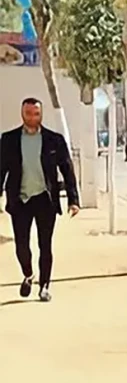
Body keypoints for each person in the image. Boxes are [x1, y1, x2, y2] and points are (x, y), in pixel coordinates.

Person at [0, 97, 80, 302]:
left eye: (36, 113)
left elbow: (67, 169)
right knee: (22, 246)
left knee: (45, 245)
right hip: (20, 200)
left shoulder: (54, 139)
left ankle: (44, 286)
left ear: (41, 114)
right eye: (29, 113)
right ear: (22, 114)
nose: (33, 117)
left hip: (46, 200)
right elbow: (1, 170)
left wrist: (73, 199)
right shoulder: (9, 139)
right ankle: (28, 274)